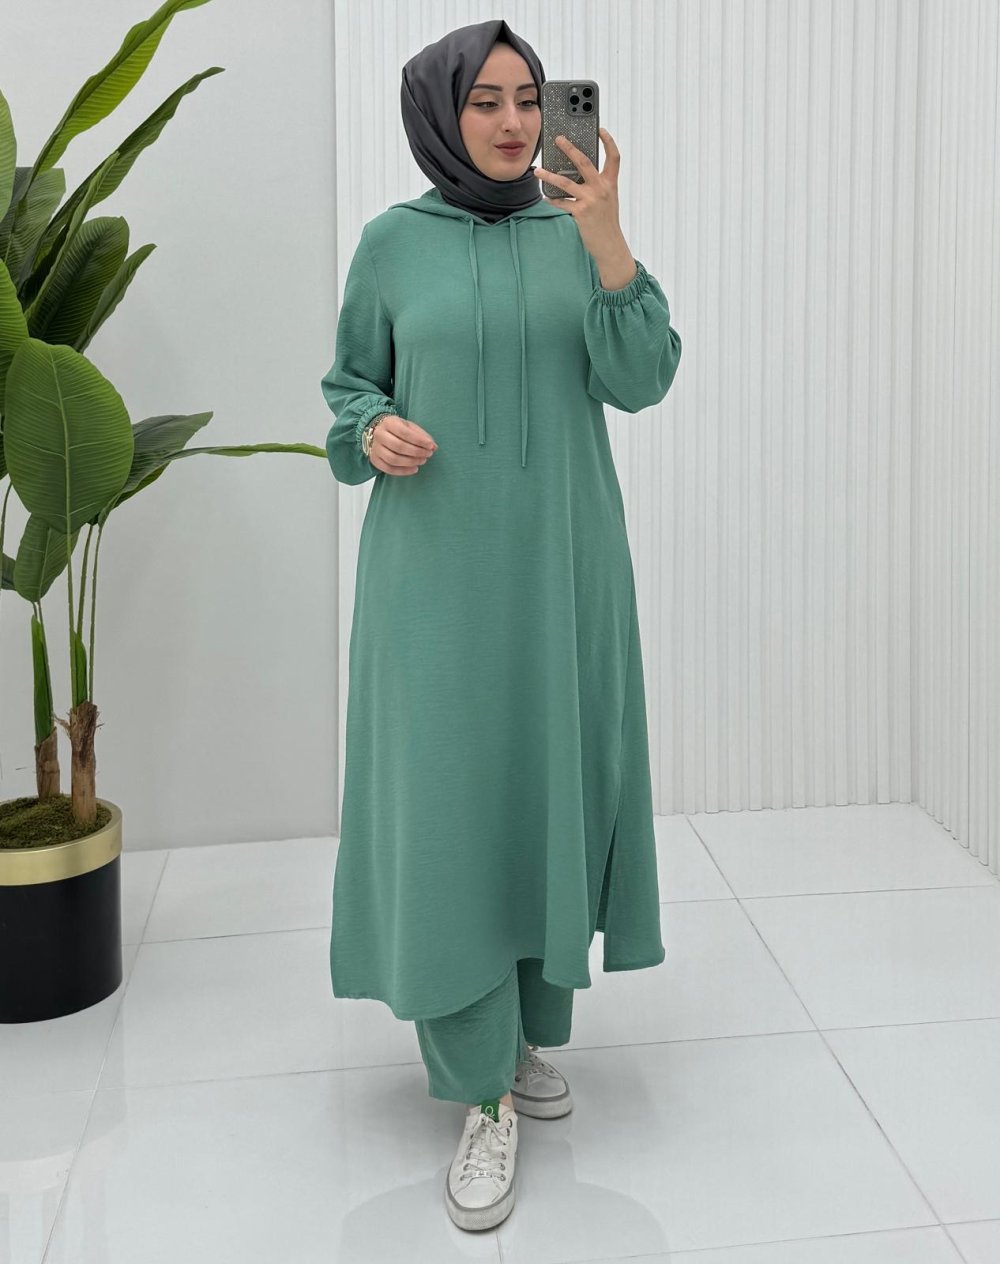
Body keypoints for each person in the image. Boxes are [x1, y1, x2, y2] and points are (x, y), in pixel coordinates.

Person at [320, 18, 682, 1233]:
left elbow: (642, 378)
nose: (515, 122)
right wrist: (368, 429)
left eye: (529, 97)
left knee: (537, 792)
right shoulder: (390, 243)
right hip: (430, 584)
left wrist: (607, 238)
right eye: (485, 101)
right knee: (448, 810)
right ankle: (478, 1093)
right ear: (439, 112)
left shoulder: (576, 229)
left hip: (561, 571)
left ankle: (518, 1035)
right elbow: (348, 388)